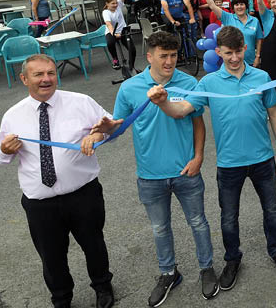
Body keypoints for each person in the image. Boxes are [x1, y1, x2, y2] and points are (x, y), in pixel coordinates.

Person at [149, 26, 276, 292]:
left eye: (239, 51)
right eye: (228, 53)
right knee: (229, 218)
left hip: (263, 159)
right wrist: (162, 103)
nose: (235, 58)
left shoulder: (261, 76)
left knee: (272, 210)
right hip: (229, 164)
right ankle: (232, 260)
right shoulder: (208, 83)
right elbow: (182, 110)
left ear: (245, 49)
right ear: (218, 52)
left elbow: (274, 114)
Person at [93, 31, 217, 306]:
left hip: (186, 170)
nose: (170, 61)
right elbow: (119, 128)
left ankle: (207, 268)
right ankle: (168, 273)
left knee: (198, 223)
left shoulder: (188, 83)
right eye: (164, 56)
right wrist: (105, 131)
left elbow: (196, 121)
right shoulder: (130, 88)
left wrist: (198, 157)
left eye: (173, 55)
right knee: (160, 228)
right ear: (149, 57)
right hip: (150, 175)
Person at [0, 54, 115, 308]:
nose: (46, 79)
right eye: (38, 74)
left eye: (50, 72)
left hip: (83, 194)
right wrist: (5, 149)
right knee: (51, 256)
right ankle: (61, 297)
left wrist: (102, 131)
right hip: (40, 203)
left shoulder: (81, 102)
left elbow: (111, 125)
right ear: (24, 78)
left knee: (94, 245)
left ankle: (102, 286)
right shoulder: (13, 115)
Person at [201, 0, 263, 67]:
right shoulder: (227, 17)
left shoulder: (254, 21)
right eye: (236, 5)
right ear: (233, 7)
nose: (239, 7)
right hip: (232, 62)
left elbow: (259, 40)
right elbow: (212, 6)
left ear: (246, 6)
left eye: (242, 4)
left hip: (251, 61)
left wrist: (257, 56)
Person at [102, 0, 136, 70]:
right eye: (113, 4)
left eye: (116, 3)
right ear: (107, 4)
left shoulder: (119, 5)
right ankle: (115, 60)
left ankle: (131, 66)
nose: (115, 5)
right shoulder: (106, 12)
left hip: (123, 30)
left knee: (132, 50)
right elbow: (109, 24)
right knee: (110, 43)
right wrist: (114, 34)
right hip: (111, 31)